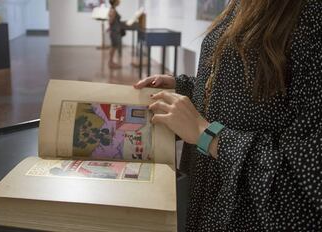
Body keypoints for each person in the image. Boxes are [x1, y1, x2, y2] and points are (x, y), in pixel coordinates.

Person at [134, 0, 321, 231]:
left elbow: (307, 180)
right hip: (207, 192)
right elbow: (248, 93)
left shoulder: (311, 14)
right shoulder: (239, 5)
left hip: (243, 213)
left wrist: (206, 135)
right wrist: (185, 89)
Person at [108, 0, 123, 69]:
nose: (119, 1)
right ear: (115, 2)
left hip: (115, 31)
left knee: (114, 47)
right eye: (118, 1)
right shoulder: (113, 10)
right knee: (113, 47)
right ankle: (110, 63)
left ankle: (111, 62)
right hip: (114, 31)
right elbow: (111, 21)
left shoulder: (113, 9)